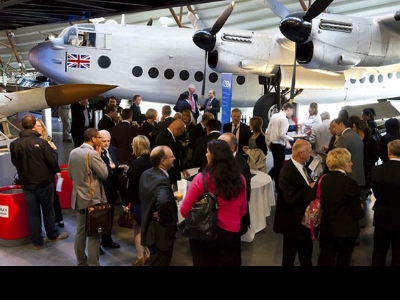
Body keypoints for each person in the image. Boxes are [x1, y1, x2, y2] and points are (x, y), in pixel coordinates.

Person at [181, 139, 247, 266]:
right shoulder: (240, 179)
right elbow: (243, 210)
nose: (205, 154)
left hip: (204, 233)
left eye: (207, 152)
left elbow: (184, 211)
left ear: (213, 156)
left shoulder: (201, 179)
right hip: (231, 233)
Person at [10, 114, 69, 250]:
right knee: (48, 211)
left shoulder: (14, 144)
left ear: (21, 125)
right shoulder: (42, 143)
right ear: (33, 125)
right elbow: (52, 161)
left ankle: (37, 241)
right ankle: (52, 235)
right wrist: (54, 151)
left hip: (27, 185)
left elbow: (15, 162)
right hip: (44, 183)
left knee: (33, 213)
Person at [68, 128, 109, 266]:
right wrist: (99, 157)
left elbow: (70, 174)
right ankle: (93, 264)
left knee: (80, 232)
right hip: (92, 199)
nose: (101, 140)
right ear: (93, 139)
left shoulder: (73, 152)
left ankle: (81, 261)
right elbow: (104, 174)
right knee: (94, 234)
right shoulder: (92, 154)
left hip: (78, 199)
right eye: (99, 137)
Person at [317, 147, 364, 266]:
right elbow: (358, 213)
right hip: (346, 231)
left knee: (326, 259)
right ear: (342, 163)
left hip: (326, 229)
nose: (351, 163)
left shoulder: (322, 180)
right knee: (343, 260)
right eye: (349, 161)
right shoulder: (350, 184)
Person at [273, 139, 316, 266]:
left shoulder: (301, 167)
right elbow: (289, 199)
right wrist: (309, 188)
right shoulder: (288, 172)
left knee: (306, 254)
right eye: (309, 152)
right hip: (292, 223)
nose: (310, 155)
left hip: (301, 222)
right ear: (301, 153)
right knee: (289, 256)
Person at [139, 145, 178, 266]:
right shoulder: (162, 179)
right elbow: (162, 201)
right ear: (163, 161)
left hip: (148, 229)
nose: (174, 158)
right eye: (171, 156)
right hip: (161, 233)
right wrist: (164, 217)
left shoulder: (146, 174)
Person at [124, 135, 152, 266]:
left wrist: (126, 204)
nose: (131, 146)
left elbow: (131, 187)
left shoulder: (136, 163)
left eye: (132, 144)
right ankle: (149, 256)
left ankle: (141, 257)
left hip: (138, 201)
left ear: (137, 146)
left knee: (138, 229)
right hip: (151, 200)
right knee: (149, 229)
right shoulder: (153, 161)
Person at [371, 139, 400, 266]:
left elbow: (375, 193)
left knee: (379, 251)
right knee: (398, 253)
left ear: (389, 152)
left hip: (382, 215)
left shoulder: (376, 170)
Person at [32, 118, 64, 228]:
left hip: (49, 173)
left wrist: (57, 171)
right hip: (39, 175)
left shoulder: (48, 140)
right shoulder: (32, 141)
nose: (37, 128)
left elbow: (54, 158)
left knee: (54, 197)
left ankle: (58, 219)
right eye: (35, 126)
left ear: (43, 128)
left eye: (39, 126)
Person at [218, 132, 251, 236]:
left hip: (232, 218)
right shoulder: (217, 159)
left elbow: (244, 195)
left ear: (232, 148)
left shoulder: (240, 166)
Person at [98, 130, 121, 252]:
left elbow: (116, 165)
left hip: (112, 189)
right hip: (101, 190)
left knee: (110, 216)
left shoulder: (113, 150)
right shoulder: (95, 153)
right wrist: (109, 167)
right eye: (103, 141)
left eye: (108, 141)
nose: (106, 143)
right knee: (100, 217)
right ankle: (97, 244)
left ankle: (107, 239)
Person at [264, 102, 294, 193]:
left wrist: (268, 142)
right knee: (279, 167)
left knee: (276, 165)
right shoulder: (284, 120)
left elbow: (267, 131)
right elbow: (282, 134)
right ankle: (277, 186)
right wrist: (292, 138)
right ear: (288, 109)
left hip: (273, 144)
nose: (292, 113)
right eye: (292, 111)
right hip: (279, 145)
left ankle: (271, 180)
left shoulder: (274, 116)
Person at [155, 118, 189, 186]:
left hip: (172, 171)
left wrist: (182, 168)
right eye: (182, 132)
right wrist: (180, 144)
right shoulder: (164, 136)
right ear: (177, 129)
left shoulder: (170, 136)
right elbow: (173, 151)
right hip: (168, 172)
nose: (181, 135)